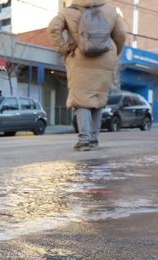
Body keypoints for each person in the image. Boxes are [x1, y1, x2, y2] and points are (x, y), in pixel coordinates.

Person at [48, 0, 127, 151]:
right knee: (98, 98)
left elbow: (53, 28)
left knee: (81, 100)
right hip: (106, 57)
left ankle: (84, 140)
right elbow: (121, 34)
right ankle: (94, 138)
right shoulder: (110, 10)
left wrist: (63, 48)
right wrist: (114, 52)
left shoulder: (68, 11)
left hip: (80, 58)